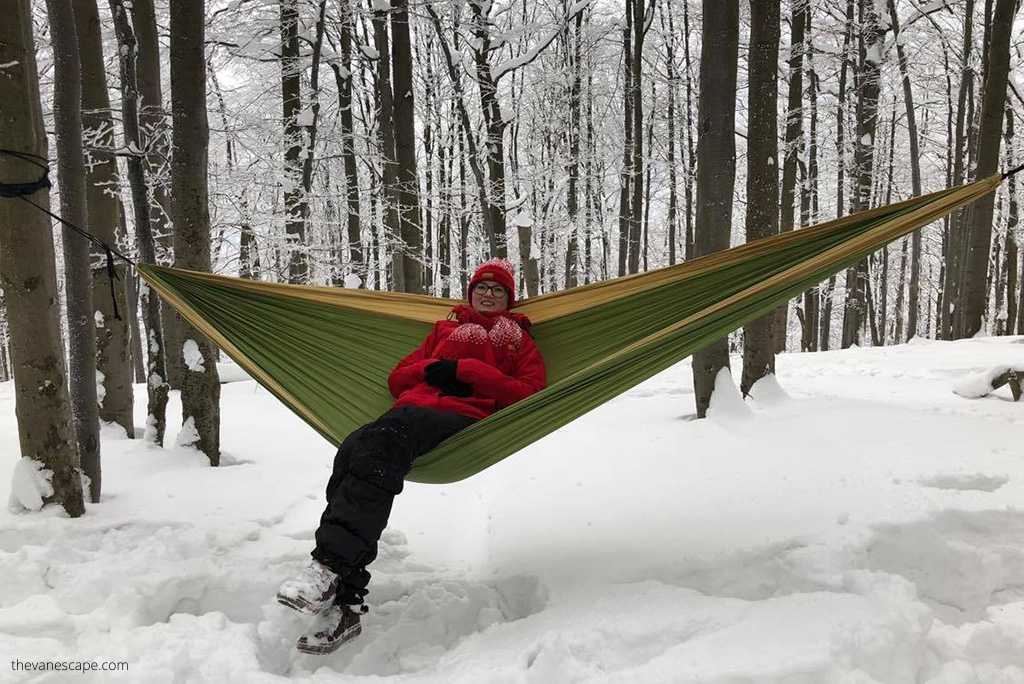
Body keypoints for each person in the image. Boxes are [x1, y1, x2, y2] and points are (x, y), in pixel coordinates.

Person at [276, 259, 547, 654]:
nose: (488, 294)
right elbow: (396, 379)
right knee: (353, 451)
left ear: (509, 298)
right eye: (481, 287)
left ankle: (328, 569)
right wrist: (434, 367)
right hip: (407, 413)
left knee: (378, 447)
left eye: (498, 289)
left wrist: (467, 370)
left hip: (461, 419)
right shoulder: (444, 329)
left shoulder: (516, 339)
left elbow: (529, 390)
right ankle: (345, 605)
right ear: (470, 293)